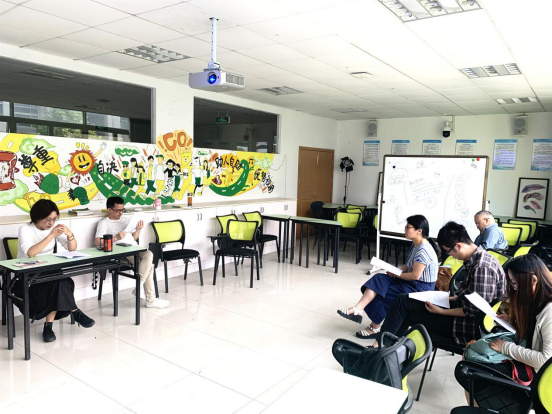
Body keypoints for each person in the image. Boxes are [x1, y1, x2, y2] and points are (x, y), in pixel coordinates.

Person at [371, 221, 505, 346]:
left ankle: (382, 348)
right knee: (402, 299)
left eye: (448, 251)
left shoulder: (482, 267)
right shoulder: (478, 259)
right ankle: (384, 346)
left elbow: (472, 311)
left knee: (407, 312)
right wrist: (444, 298)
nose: (451, 256)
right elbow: (469, 297)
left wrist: (441, 311)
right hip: (461, 309)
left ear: (458, 246)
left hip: (465, 325)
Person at [455, 255, 552, 406]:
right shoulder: (539, 300)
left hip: (538, 376)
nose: (514, 288)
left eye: (515, 283)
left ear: (533, 281)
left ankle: (479, 407)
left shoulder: (549, 311)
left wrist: (505, 347)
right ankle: (478, 406)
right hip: (528, 359)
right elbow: (535, 334)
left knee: (469, 366)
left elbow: (545, 360)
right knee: (470, 355)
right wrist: (514, 323)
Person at [338, 215, 441, 338]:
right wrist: (396, 271)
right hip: (412, 282)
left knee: (383, 293)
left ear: (419, 231)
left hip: (419, 288)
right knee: (379, 279)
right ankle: (358, 309)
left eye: (408, 227)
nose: (405, 230)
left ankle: (374, 328)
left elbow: (415, 276)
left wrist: (398, 274)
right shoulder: (416, 245)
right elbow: (409, 266)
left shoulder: (423, 250)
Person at [15, 199, 95, 343]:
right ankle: (74, 311)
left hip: (49, 272)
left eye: (54, 219)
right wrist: (51, 235)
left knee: (58, 281)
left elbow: (72, 249)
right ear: (37, 217)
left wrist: (69, 234)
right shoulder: (25, 229)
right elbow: (31, 253)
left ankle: (49, 327)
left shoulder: (52, 229)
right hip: (28, 275)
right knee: (59, 281)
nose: (51, 223)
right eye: (48, 219)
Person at [95, 196, 169, 309]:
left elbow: (133, 238)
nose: (120, 213)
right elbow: (97, 242)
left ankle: (139, 285)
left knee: (149, 254)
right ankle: (150, 300)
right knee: (149, 266)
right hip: (120, 252)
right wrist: (115, 238)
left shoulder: (125, 220)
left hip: (134, 248)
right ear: (109, 209)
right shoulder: (104, 223)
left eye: (122, 210)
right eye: (117, 210)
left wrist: (138, 230)